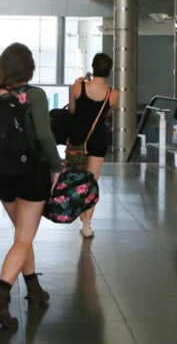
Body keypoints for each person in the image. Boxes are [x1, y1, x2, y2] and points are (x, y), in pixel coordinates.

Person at [0, 43, 62, 330]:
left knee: (21, 235)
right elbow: (44, 135)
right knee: (24, 238)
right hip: (31, 174)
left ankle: (34, 289)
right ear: (28, 68)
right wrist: (57, 166)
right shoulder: (35, 95)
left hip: (3, 177)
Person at [66, 52, 120, 239]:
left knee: (77, 178)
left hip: (77, 140)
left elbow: (72, 110)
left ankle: (75, 208)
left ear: (93, 67)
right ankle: (87, 224)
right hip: (98, 140)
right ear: (109, 71)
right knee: (92, 182)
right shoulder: (113, 94)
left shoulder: (78, 86)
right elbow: (107, 115)